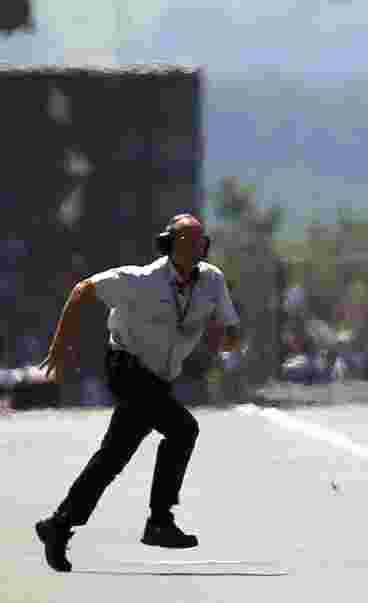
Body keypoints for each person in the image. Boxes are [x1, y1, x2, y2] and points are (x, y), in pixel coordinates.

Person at [33, 214, 242, 573]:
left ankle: (60, 523)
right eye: (187, 243)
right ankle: (159, 521)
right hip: (126, 367)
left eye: (200, 243)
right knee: (183, 429)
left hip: (159, 378)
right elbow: (83, 290)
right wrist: (60, 344)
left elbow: (229, 324)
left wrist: (228, 340)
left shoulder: (212, 281)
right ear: (168, 246)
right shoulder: (140, 281)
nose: (196, 250)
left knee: (113, 456)